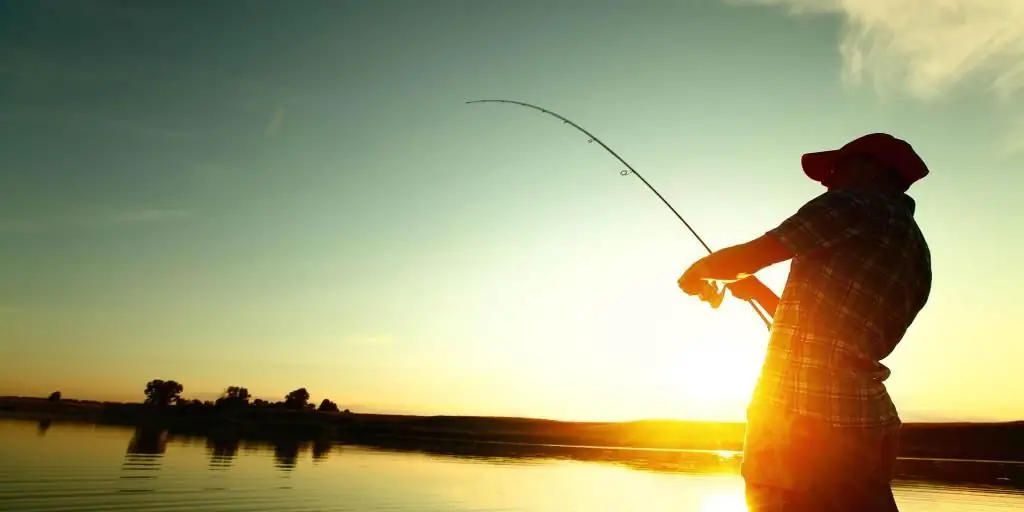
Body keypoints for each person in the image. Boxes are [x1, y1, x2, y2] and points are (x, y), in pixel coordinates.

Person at [677, 133, 933, 511]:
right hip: (869, 421)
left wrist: (698, 273)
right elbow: (830, 331)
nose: (827, 180)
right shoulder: (916, 247)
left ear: (873, 169)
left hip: (801, 418)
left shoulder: (852, 204)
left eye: (837, 167)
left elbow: (756, 253)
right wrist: (757, 291)